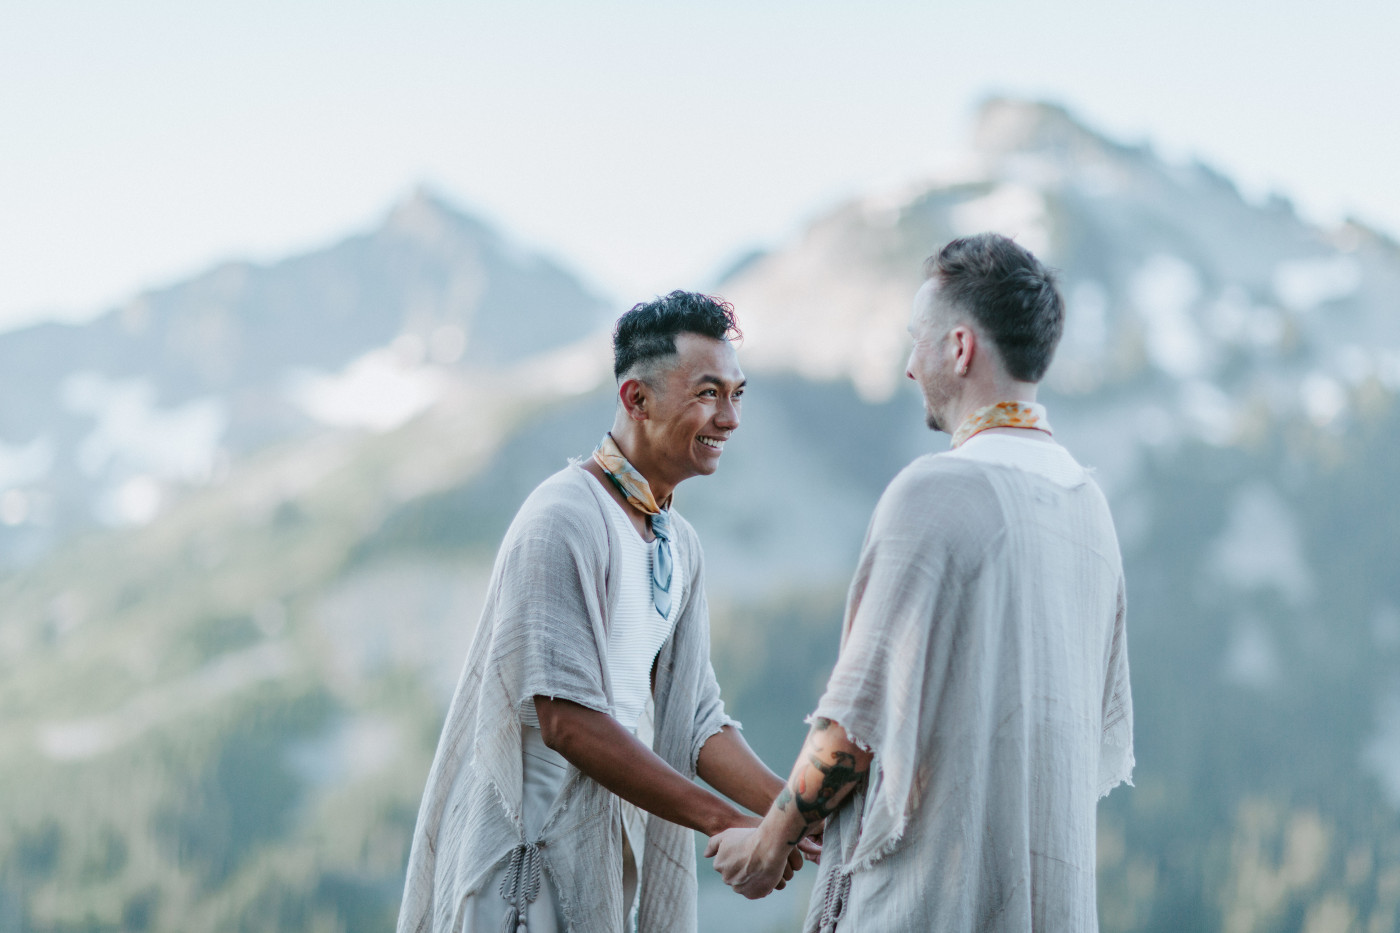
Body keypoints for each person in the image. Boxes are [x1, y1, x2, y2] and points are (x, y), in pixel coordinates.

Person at [707, 234, 1135, 931]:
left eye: (918, 339)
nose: (909, 365)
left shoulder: (939, 490)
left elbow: (855, 725)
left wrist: (769, 839)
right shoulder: (1089, 505)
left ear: (960, 349)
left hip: (934, 902)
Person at [398, 291, 805, 933]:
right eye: (707, 393)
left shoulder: (679, 541)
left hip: (606, 858)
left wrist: (796, 817)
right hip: (523, 866)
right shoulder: (563, 517)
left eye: (737, 393)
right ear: (636, 400)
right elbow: (565, 719)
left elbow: (695, 720)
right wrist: (725, 821)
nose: (729, 417)